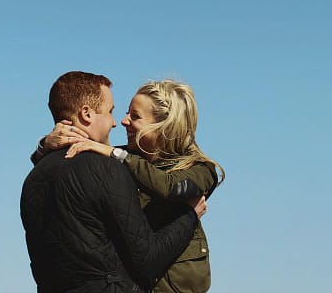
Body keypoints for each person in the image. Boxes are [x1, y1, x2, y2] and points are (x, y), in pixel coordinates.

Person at [20, 71, 207, 293]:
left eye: (133, 116)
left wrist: (43, 146)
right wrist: (189, 215)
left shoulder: (34, 177)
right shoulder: (108, 168)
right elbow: (147, 262)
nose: (116, 122)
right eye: (111, 111)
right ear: (87, 114)